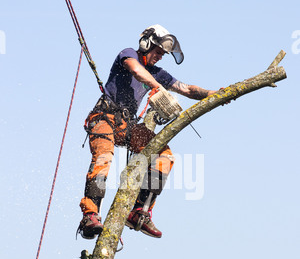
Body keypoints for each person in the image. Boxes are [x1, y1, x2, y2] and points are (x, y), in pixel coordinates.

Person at [78, 24, 217, 240]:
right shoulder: (128, 54)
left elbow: (187, 89)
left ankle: (140, 212)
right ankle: (90, 215)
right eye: (158, 52)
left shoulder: (158, 73)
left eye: (163, 54)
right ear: (146, 43)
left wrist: (216, 94)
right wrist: (156, 86)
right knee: (104, 157)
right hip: (104, 116)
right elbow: (135, 70)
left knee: (164, 155)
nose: (160, 57)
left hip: (128, 125)